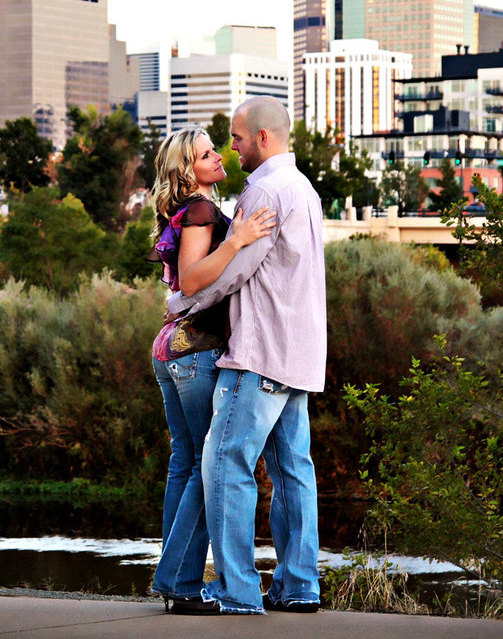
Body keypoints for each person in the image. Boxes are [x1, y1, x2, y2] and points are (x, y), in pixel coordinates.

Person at [167, 95, 327, 615]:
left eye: (235, 138)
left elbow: (237, 272)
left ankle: (238, 591)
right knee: (293, 471)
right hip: (301, 355)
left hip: (259, 355)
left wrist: (181, 302)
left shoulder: (263, 191)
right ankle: (298, 586)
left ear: (261, 137)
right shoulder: (304, 190)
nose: (232, 148)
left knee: (224, 464)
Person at [146, 127, 275, 615]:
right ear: (187, 170)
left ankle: (175, 576)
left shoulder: (190, 211)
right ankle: (177, 581)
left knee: (185, 464)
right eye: (205, 155)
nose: (218, 156)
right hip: (195, 351)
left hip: (174, 349)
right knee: (208, 467)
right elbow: (196, 275)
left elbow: (181, 282)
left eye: (215, 149)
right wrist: (237, 238)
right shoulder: (201, 211)